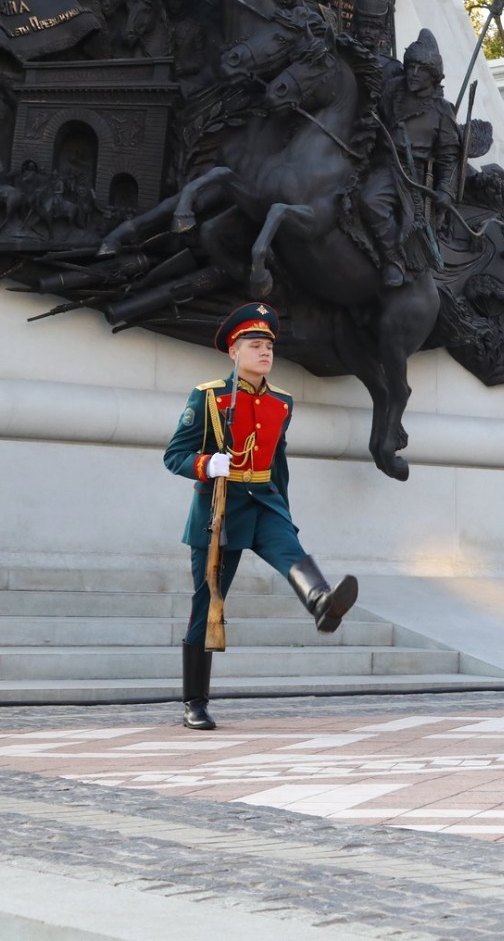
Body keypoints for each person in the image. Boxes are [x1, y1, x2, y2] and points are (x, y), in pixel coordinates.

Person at [163, 303, 359, 730]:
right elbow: (174, 455)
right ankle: (194, 702)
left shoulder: (282, 402)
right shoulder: (210, 396)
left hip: (265, 501)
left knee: (292, 552)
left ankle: (323, 603)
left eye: (268, 345)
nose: (264, 352)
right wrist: (206, 465)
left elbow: (279, 461)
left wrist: (285, 511)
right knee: (208, 605)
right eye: (255, 345)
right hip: (220, 509)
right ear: (234, 351)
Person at [361, 28, 463, 288]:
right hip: (381, 162)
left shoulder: (441, 110)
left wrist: (446, 191)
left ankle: (397, 261)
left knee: (390, 213)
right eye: (411, 67)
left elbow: (449, 156)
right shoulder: (392, 91)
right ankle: (385, 257)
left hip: (412, 175)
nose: (414, 74)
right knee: (363, 197)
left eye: (422, 70)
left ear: (433, 76)